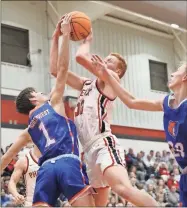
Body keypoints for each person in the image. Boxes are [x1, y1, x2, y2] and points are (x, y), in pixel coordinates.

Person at [50, 30, 158, 206]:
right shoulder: (87, 84)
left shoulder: (111, 79)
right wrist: (56, 38)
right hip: (87, 150)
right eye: (105, 59)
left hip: (103, 144)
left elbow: (80, 57)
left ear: (118, 70)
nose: (104, 61)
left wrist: (87, 41)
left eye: (110, 61)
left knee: (123, 189)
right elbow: (56, 70)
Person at [1, 14, 95, 207]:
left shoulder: (28, 131)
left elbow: (6, 158)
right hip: (67, 162)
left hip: (46, 170)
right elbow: (62, 68)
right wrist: (65, 36)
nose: (45, 93)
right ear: (34, 99)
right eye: (40, 92)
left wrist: (55, 37)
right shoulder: (53, 103)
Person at [91, 56, 187, 207]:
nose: (172, 74)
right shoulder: (167, 102)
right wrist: (107, 74)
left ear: (185, 77)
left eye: (176, 72)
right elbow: (132, 102)